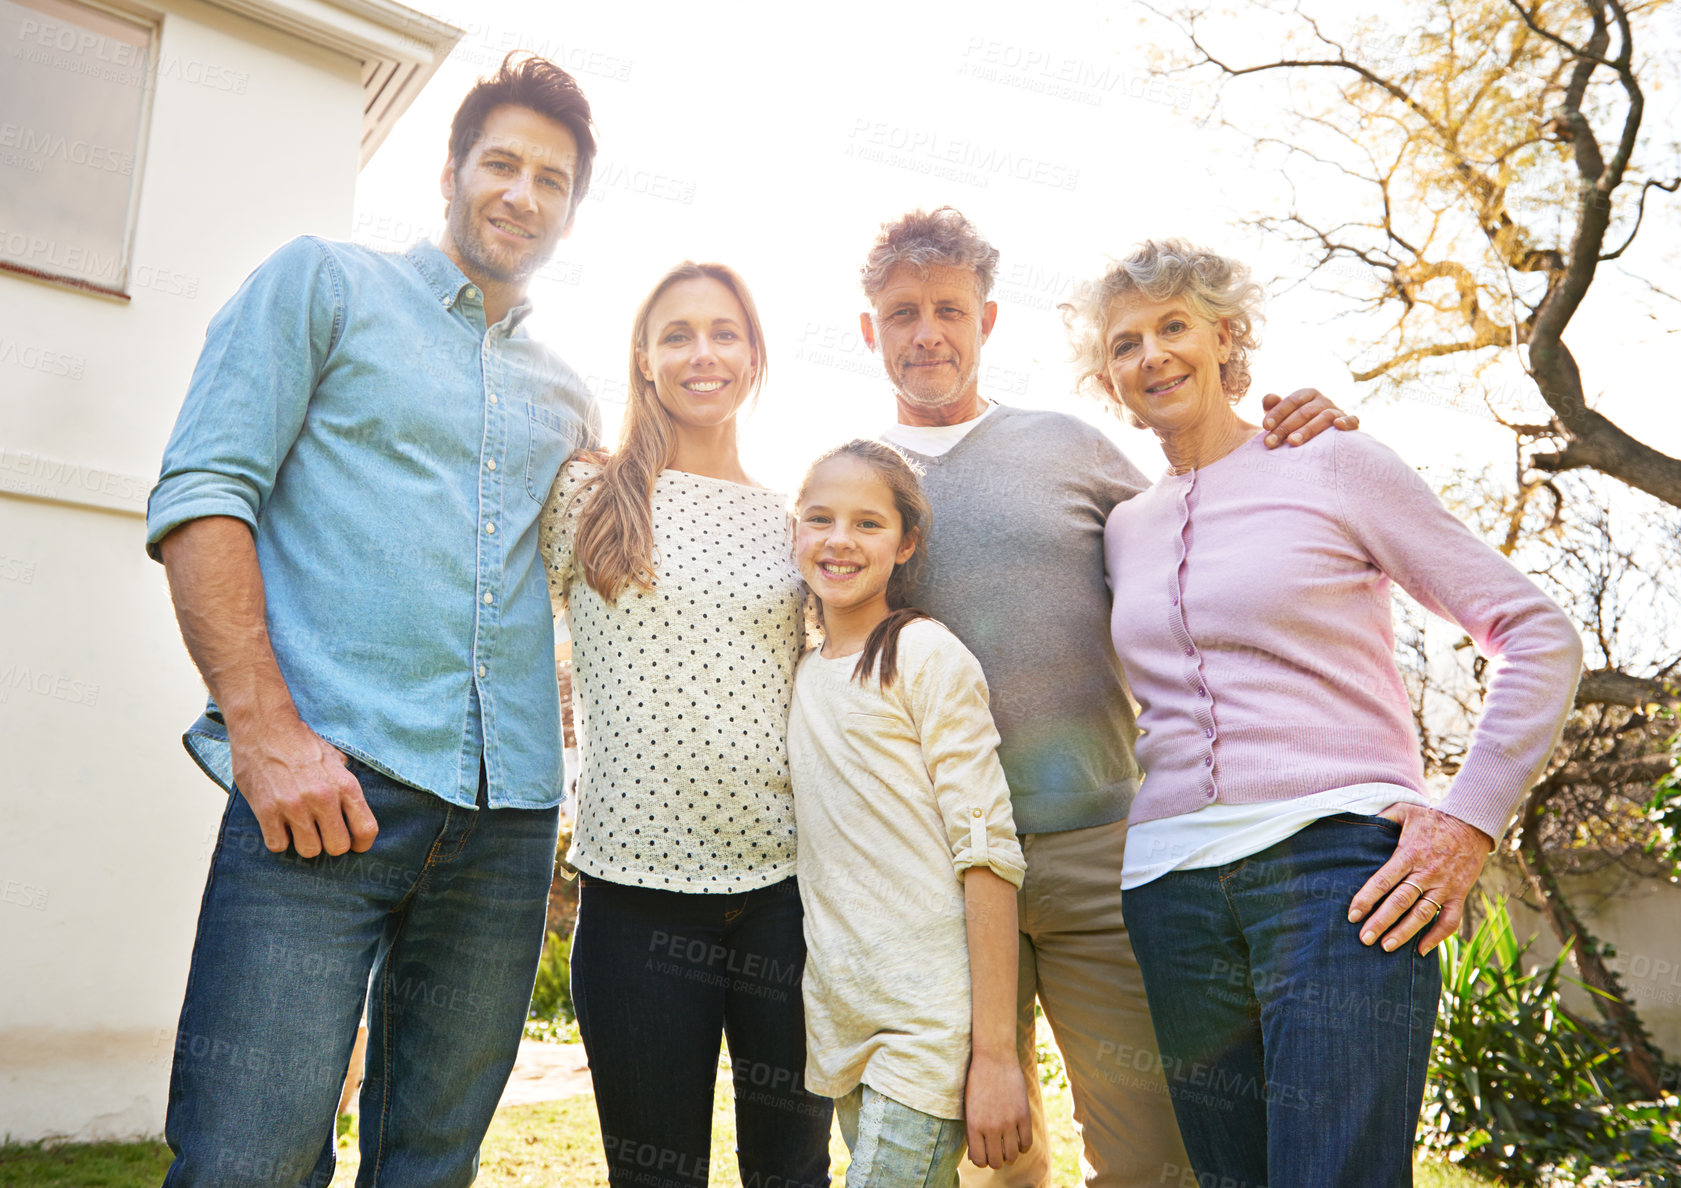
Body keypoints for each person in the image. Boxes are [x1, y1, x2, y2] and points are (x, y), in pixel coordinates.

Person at [144, 54, 600, 1187]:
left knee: (429, 1165)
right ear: (450, 170)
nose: (520, 194)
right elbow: (203, 495)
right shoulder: (323, 285)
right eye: (500, 162)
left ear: (570, 210)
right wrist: (264, 733)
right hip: (324, 790)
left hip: (504, 823)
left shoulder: (570, 394)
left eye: (551, 179)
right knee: (245, 1162)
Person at [1064, 238, 1583, 1188]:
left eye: (1173, 326)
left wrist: (1466, 820)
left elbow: (1536, 634)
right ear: (1108, 380)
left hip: (1336, 874)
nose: (1153, 356)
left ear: (1227, 340)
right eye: (1126, 343)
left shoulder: (1331, 460)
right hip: (1169, 890)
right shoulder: (1126, 526)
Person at [857, 207, 1356, 1188]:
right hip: (945, 866)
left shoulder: (1068, 447)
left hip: (1102, 853)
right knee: (993, 1155)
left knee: (1148, 1158)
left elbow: (1206, 510)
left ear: (986, 322)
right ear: (869, 328)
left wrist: (1297, 430)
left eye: (948, 310)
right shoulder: (854, 484)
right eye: (902, 313)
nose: (927, 333)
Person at [538, 262, 831, 1188]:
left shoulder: (793, 521)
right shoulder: (585, 497)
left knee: (792, 1174)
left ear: (754, 355)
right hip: (634, 897)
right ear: (642, 356)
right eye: (677, 334)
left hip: (784, 897)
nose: (702, 353)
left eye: (724, 332)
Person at [788, 439, 1030, 1185]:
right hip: (844, 1023)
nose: (838, 540)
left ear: (907, 542)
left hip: (925, 1027)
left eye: (867, 524)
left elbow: (988, 854)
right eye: (819, 519)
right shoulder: (801, 670)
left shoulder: (925, 654)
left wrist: (993, 1055)